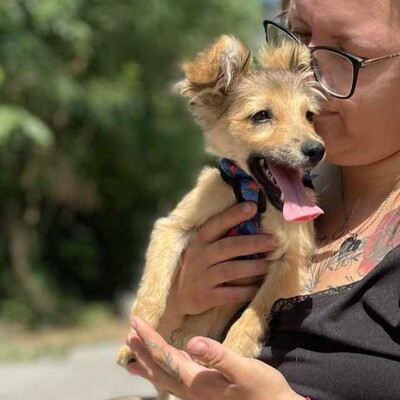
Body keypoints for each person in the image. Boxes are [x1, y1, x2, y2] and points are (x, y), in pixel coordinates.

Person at [124, 0, 400, 398]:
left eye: (348, 52)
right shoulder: (256, 185)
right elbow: (157, 365)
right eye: (301, 34)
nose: (311, 73)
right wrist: (175, 308)